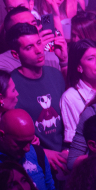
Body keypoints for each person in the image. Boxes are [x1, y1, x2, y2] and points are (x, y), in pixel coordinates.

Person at [8, 22, 69, 174]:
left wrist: (67, 149)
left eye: (39, 43)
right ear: (16, 54)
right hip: (32, 162)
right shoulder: (10, 84)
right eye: (29, 47)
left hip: (64, 155)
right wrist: (40, 152)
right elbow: (8, 135)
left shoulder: (55, 74)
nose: (38, 50)